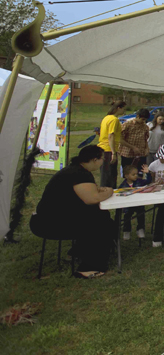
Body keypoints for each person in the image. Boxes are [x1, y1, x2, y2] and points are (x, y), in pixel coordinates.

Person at [29, 145, 115, 279]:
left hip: (49, 218)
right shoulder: (79, 173)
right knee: (101, 223)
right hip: (48, 223)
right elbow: (92, 199)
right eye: (101, 159)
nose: (103, 161)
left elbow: (88, 192)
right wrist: (109, 191)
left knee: (101, 216)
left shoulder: (76, 170)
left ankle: (78, 251)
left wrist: (98, 190)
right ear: (93, 160)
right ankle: (89, 267)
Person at [97, 100, 135, 188]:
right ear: (119, 108)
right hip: (108, 150)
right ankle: (107, 193)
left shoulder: (106, 117)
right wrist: (113, 153)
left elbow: (116, 137)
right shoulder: (114, 119)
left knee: (108, 174)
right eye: (123, 109)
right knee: (109, 176)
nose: (124, 111)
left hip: (104, 149)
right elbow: (111, 136)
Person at [120, 165, 151, 241]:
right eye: (133, 175)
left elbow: (148, 181)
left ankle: (140, 229)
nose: (136, 176)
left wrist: (148, 174)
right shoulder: (123, 185)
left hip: (138, 204)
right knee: (127, 217)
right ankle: (126, 231)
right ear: (126, 176)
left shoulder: (139, 181)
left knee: (141, 215)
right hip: (128, 205)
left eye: (136, 174)